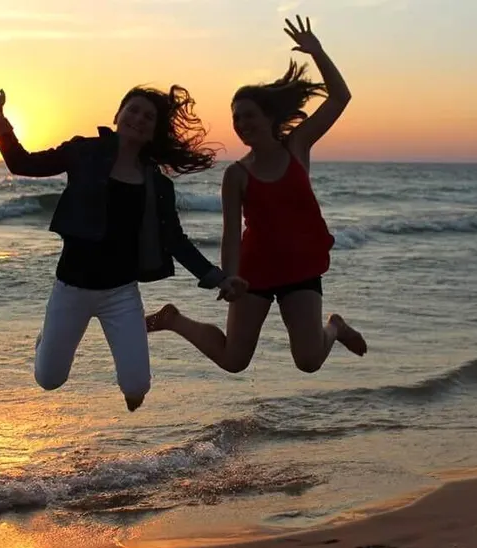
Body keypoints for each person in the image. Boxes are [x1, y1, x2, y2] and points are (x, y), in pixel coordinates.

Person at [0, 84, 247, 412]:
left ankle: (127, 382)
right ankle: (46, 340)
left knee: (137, 387)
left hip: (120, 293)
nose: (139, 118)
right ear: (117, 115)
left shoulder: (158, 185)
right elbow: (23, 164)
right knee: (49, 379)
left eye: (149, 117)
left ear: (154, 131)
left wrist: (218, 278)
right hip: (71, 288)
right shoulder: (84, 152)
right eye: (133, 110)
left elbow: (175, 240)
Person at [146, 16, 367, 375]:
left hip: (300, 266)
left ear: (269, 116)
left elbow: (341, 97)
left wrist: (318, 52)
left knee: (308, 361)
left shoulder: (297, 145)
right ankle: (174, 319)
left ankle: (335, 327)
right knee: (234, 360)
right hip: (255, 270)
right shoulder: (236, 174)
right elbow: (231, 233)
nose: (242, 123)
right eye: (236, 118)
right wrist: (229, 277)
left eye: (248, 115)